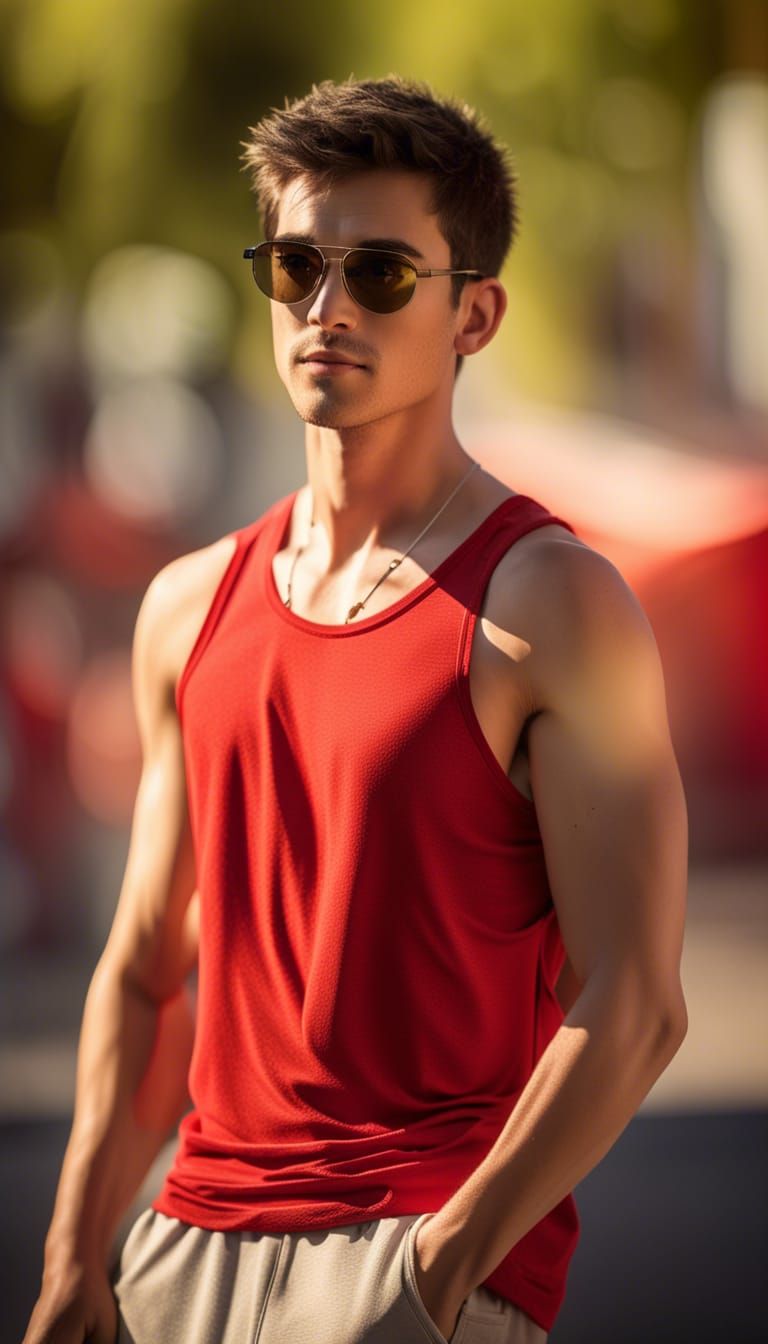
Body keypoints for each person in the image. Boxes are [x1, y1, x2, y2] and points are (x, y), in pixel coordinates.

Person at [23, 74, 688, 1344]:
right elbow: (151, 968)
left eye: (381, 274)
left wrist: (441, 1272)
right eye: (296, 267)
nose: (326, 308)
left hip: (412, 1256)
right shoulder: (188, 605)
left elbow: (640, 1002)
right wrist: (74, 1259)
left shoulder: (552, 603)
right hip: (179, 1251)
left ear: (474, 315)